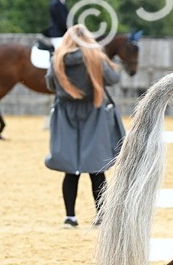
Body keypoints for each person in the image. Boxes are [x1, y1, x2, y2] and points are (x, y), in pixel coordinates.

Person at [44, 24, 126, 227]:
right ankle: (101, 216)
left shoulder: (57, 60)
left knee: (70, 168)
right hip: (93, 112)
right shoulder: (95, 58)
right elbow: (113, 79)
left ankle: (70, 217)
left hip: (66, 114)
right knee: (96, 167)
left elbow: (50, 85)